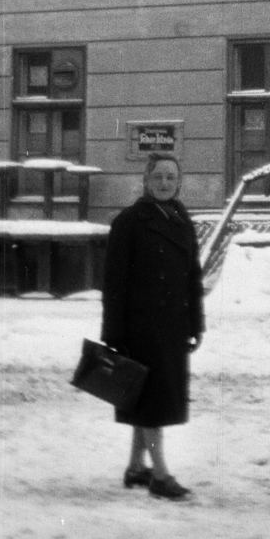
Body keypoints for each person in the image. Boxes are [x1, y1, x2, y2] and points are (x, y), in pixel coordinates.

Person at [100, 154, 204, 500]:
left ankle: (135, 467)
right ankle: (160, 474)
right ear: (145, 181)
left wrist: (196, 324)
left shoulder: (182, 220)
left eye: (170, 177)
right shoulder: (129, 222)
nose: (164, 183)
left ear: (179, 182)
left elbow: (192, 277)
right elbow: (114, 285)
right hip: (139, 328)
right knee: (150, 404)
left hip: (172, 327)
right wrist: (114, 334)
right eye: (158, 176)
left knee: (146, 400)